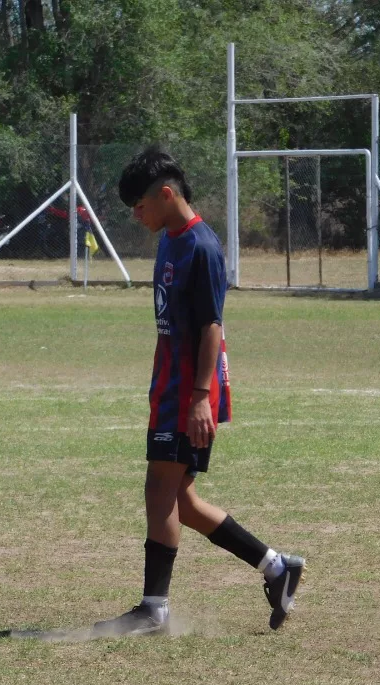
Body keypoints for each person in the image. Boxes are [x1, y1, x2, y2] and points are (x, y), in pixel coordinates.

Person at [91, 148, 306, 638]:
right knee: (181, 502)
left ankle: (153, 611)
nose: (136, 215)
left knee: (159, 490)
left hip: (189, 391)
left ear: (166, 195)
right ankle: (277, 567)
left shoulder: (201, 247)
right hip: (169, 387)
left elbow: (212, 325)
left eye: (139, 205)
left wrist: (200, 396)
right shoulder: (169, 239)